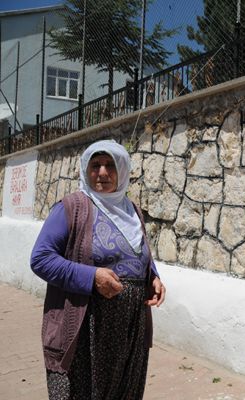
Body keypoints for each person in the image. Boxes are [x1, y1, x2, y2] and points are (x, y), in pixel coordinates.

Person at [30, 140, 166, 399]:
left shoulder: (132, 210)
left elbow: (136, 251)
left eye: (110, 165)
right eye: (95, 165)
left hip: (129, 329)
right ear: (86, 170)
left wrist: (153, 277)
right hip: (87, 329)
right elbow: (41, 258)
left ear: (123, 170)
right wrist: (92, 277)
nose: (102, 173)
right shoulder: (72, 208)